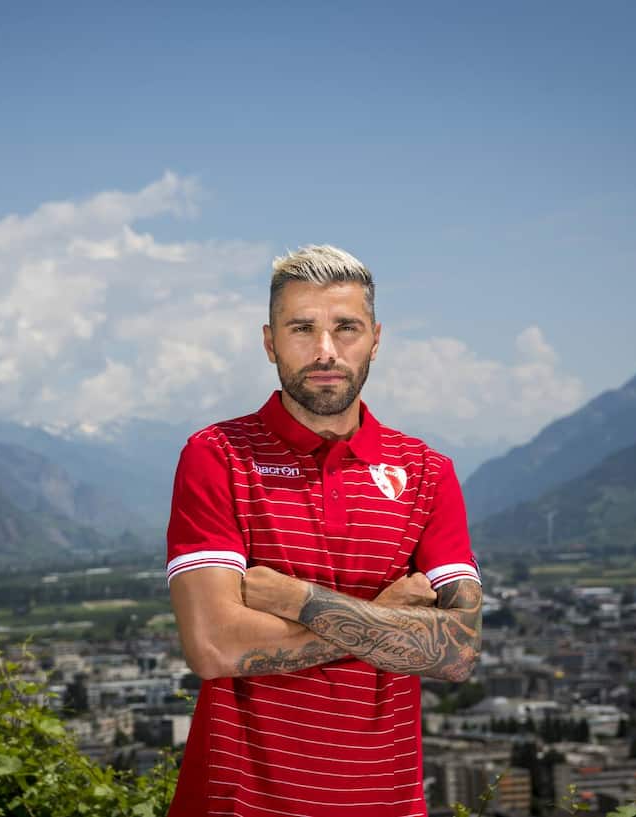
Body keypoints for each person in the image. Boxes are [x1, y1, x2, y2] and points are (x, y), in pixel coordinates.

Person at [165, 244, 483, 817]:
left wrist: (297, 600)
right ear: (269, 342)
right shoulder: (218, 456)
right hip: (238, 803)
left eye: (346, 328)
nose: (326, 351)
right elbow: (213, 647)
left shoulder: (428, 472)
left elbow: (457, 652)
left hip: (386, 803)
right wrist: (385, 618)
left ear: (376, 339)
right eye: (302, 328)